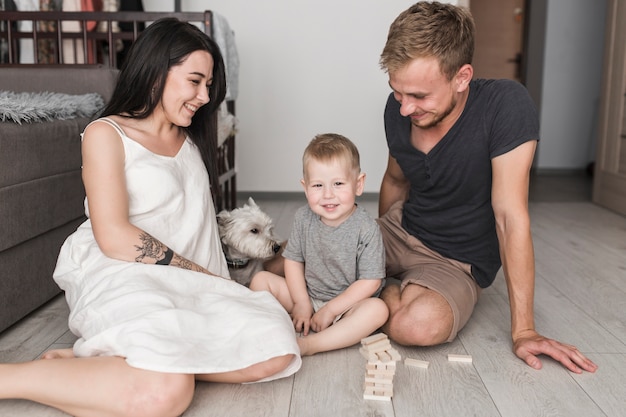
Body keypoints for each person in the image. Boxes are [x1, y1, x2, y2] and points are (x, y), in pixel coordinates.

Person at [0, 18, 301, 417]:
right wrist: (196, 273)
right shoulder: (106, 134)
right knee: (166, 392)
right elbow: (114, 236)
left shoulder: (193, 139)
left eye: (208, 85)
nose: (203, 95)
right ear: (157, 72)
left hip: (194, 283)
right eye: (195, 81)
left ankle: (109, 365)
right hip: (124, 271)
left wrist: (275, 261)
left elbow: (199, 224)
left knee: (276, 350)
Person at [376, 1, 597, 374]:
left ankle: (371, 292)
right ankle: (380, 284)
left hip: (455, 260)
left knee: (413, 326)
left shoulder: (505, 106)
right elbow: (396, 180)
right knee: (292, 262)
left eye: (419, 96)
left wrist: (524, 329)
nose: (404, 109)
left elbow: (510, 217)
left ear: (462, 77)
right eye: (398, 92)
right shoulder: (399, 109)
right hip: (401, 229)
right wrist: (370, 249)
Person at [250, 134, 389, 356]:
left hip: (347, 306)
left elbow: (371, 282)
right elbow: (293, 262)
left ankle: (312, 345)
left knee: (377, 310)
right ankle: (270, 330)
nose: (327, 195)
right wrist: (301, 302)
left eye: (338, 184)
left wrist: (332, 310)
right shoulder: (303, 218)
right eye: (317, 185)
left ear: (358, 184)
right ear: (305, 188)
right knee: (260, 280)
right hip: (309, 293)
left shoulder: (366, 227)